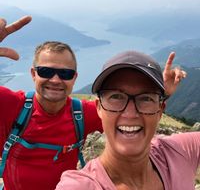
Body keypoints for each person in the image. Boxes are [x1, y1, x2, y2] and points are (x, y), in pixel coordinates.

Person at [0, 16, 186, 190]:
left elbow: (129, 116)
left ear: (74, 78)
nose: (55, 80)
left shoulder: (81, 114)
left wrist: (158, 93)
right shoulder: (11, 104)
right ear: (33, 74)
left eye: (65, 74)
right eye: (46, 72)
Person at [55, 50, 198, 190]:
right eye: (116, 97)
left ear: (160, 110)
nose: (130, 114)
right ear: (99, 107)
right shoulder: (80, 186)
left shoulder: (177, 152)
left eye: (145, 98)